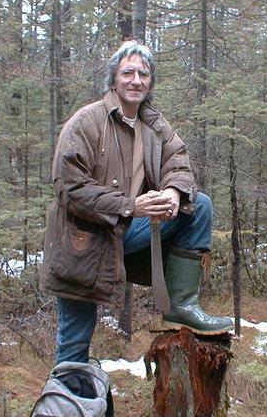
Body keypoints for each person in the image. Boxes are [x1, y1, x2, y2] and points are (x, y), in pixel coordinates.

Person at [40, 41, 233, 364]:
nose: (136, 80)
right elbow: (70, 188)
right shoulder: (87, 121)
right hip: (84, 245)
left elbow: (180, 165)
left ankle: (181, 308)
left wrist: (172, 192)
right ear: (113, 79)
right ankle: (64, 408)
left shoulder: (155, 126)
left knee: (198, 205)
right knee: (74, 342)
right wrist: (132, 206)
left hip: (127, 235)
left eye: (143, 74)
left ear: (151, 82)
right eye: (127, 72)